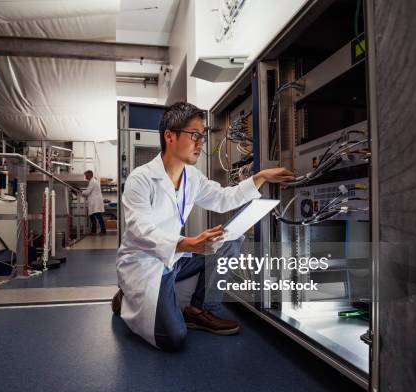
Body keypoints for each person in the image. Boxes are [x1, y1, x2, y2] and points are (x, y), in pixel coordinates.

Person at [112, 102, 295, 351]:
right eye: (194, 135)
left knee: (230, 239)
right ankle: (125, 298)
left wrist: (260, 177)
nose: (201, 143)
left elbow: (223, 199)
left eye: (202, 137)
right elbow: (140, 231)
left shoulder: (192, 177)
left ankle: (199, 310)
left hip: (175, 258)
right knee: (174, 338)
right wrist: (189, 243)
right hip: (144, 263)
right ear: (170, 136)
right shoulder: (141, 179)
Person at [81, 170, 106, 235]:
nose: (85, 177)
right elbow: (88, 192)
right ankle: (94, 231)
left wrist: (81, 192)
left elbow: (87, 192)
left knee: (98, 217)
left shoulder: (93, 182)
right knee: (93, 217)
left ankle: (102, 231)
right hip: (94, 203)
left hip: (96, 203)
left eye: (86, 175)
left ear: (89, 175)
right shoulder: (93, 181)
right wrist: (83, 192)